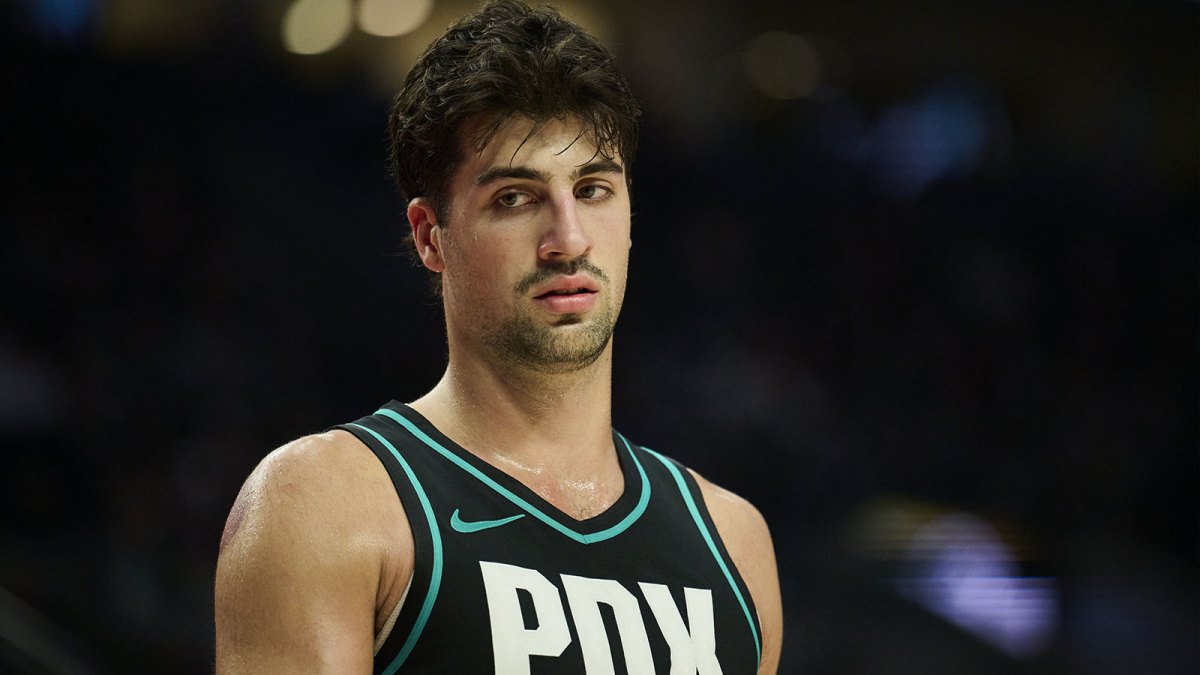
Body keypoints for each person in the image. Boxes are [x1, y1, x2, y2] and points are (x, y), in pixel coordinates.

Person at [213, 0, 782, 672]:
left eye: (593, 189)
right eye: (514, 198)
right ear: (430, 237)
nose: (568, 239)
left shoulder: (734, 543)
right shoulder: (326, 504)